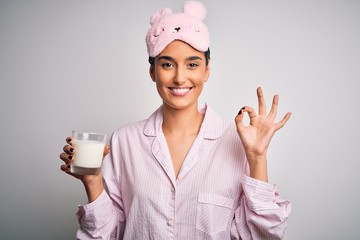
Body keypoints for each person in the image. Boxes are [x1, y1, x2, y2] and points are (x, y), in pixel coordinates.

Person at [60, 1, 292, 239]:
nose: (180, 78)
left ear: (207, 70)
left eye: (192, 64)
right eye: (168, 64)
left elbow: (262, 235)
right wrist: (92, 181)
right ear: (153, 72)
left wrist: (257, 157)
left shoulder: (237, 142)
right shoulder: (125, 140)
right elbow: (107, 235)